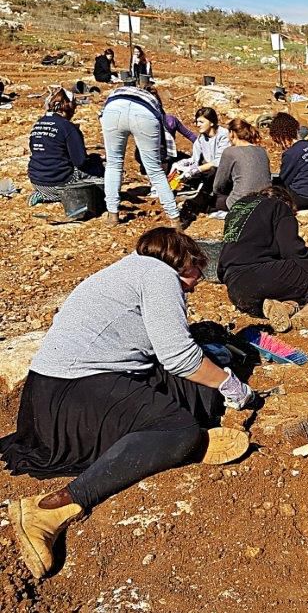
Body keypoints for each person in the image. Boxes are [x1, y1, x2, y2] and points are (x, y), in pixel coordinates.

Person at [0, 228, 255, 580]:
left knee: (194, 394)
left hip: (48, 396)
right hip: (73, 395)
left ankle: (174, 445)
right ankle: (52, 508)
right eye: (198, 272)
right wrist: (231, 384)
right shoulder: (159, 275)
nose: (195, 286)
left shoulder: (129, 270)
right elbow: (179, 356)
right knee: (179, 427)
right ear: (187, 260)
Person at [217, 186, 308, 334]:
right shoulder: (279, 206)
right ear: (287, 202)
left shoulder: (239, 208)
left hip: (235, 288)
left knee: (289, 282)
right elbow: (292, 251)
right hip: (260, 277)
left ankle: (282, 307)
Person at [100, 79, 181, 227]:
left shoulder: (124, 90)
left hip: (113, 108)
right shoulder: (153, 103)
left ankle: (112, 215)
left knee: (113, 164)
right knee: (155, 171)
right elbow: (162, 135)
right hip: (144, 114)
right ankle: (175, 219)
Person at [27, 88, 104, 206]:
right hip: (59, 181)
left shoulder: (39, 123)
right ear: (69, 107)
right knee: (100, 171)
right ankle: (53, 196)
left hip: (37, 181)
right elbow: (80, 161)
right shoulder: (68, 127)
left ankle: (43, 194)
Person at [269, 112, 308, 210]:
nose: (280, 146)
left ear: (282, 136)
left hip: (303, 197)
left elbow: (284, 180)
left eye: (279, 142)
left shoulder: (291, 153)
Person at [211, 118, 271, 212]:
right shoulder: (261, 151)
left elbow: (218, 186)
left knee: (213, 200)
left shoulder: (230, 152)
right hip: (265, 200)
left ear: (232, 133)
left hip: (240, 203)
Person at [170, 107, 230, 194]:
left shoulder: (223, 135)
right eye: (197, 122)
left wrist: (197, 170)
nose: (198, 125)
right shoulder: (201, 138)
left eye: (201, 122)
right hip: (209, 169)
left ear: (212, 122)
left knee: (212, 170)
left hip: (222, 171)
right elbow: (195, 159)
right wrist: (181, 164)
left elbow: (219, 161)